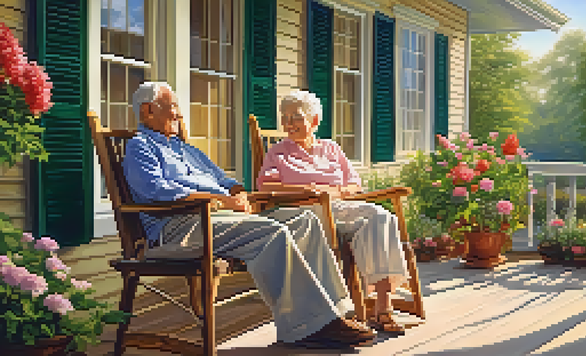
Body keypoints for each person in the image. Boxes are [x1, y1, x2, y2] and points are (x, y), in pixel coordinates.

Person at [122, 82, 376, 349]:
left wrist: (239, 193)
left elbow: (223, 178)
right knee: (272, 232)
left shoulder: (185, 149)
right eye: (172, 106)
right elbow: (158, 190)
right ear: (148, 111)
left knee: (304, 221)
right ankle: (307, 326)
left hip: (218, 216)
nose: (179, 113)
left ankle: (334, 312)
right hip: (181, 226)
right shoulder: (140, 147)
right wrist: (222, 201)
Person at [257, 90, 410, 334]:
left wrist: (335, 191)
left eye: (295, 117)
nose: (287, 124)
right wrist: (310, 189)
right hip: (306, 211)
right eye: (284, 118)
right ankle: (374, 310)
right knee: (373, 219)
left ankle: (382, 306)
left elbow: (354, 184)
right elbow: (266, 185)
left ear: (314, 120)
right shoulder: (279, 152)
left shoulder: (331, 148)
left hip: (339, 207)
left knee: (381, 217)